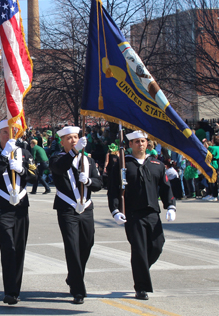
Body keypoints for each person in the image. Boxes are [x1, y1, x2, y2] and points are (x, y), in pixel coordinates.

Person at [108, 130, 176, 300]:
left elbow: (165, 188)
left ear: (147, 143)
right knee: (139, 251)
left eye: (143, 141)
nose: (141, 144)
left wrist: (171, 206)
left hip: (152, 213)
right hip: (133, 214)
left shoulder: (156, 164)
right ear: (130, 144)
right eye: (137, 141)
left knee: (157, 246)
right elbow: (114, 190)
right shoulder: (123, 165)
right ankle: (141, 287)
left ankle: (141, 270)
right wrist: (115, 210)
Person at [0, 120, 37, 305]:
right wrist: (5, 155)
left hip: (21, 206)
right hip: (2, 207)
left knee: (19, 248)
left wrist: (21, 169)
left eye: (13, 132)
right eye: (5, 132)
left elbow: (34, 175)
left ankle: (15, 290)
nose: (10, 135)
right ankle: (9, 290)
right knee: (8, 247)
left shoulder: (25, 153)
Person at [49, 126, 102, 304]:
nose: (73, 140)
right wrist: (74, 152)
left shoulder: (88, 161)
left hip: (86, 208)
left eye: (76, 137)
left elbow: (99, 183)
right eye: (69, 138)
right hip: (67, 208)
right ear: (62, 141)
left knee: (87, 244)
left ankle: (73, 277)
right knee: (72, 247)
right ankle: (78, 290)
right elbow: (59, 169)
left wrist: (88, 181)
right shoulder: (57, 158)